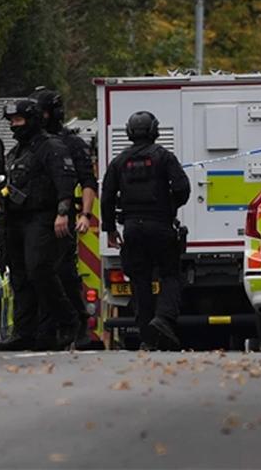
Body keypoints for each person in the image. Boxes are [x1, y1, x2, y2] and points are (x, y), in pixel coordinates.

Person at [0, 98, 80, 351]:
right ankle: (23, 333)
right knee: (19, 276)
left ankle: (67, 319)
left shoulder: (51, 147)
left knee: (39, 268)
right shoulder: (16, 152)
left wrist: (62, 212)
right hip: (15, 220)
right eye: (12, 121)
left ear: (33, 120)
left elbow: (64, 180)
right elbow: (2, 179)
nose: (14, 126)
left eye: (18, 120)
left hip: (42, 217)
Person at [100, 111, 190, 350]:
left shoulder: (119, 162)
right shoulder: (164, 157)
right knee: (170, 274)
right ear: (155, 131)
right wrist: (169, 207)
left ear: (129, 132)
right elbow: (183, 188)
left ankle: (148, 337)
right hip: (161, 226)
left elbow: (107, 196)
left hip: (131, 229)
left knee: (140, 281)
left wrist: (109, 229)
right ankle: (163, 318)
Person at [30, 87, 98, 344]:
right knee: (35, 272)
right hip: (33, 217)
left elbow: (88, 182)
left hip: (62, 217)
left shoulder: (72, 143)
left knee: (63, 271)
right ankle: (45, 328)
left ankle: (77, 320)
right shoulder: (30, 142)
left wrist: (86, 215)